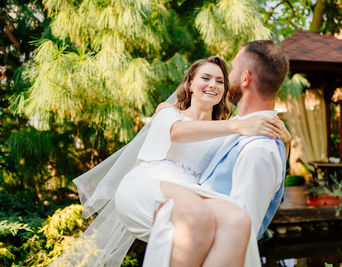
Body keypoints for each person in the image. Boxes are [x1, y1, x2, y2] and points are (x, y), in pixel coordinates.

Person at [49, 56, 289, 267]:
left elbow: (254, 155)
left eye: (220, 81)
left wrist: (283, 143)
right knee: (199, 214)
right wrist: (239, 125)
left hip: (189, 194)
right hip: (148, 184)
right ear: (190, 84)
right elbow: (177, 133)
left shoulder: (224, 133)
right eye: (205, 77)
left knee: (238, 222)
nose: (213, 85)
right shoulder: (168, 112)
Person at [168, 39, 290, 265]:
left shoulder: (259, 149)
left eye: (233, 68)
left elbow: (239, 234)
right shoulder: (240, 127)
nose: (227, 76)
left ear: (245, 78)